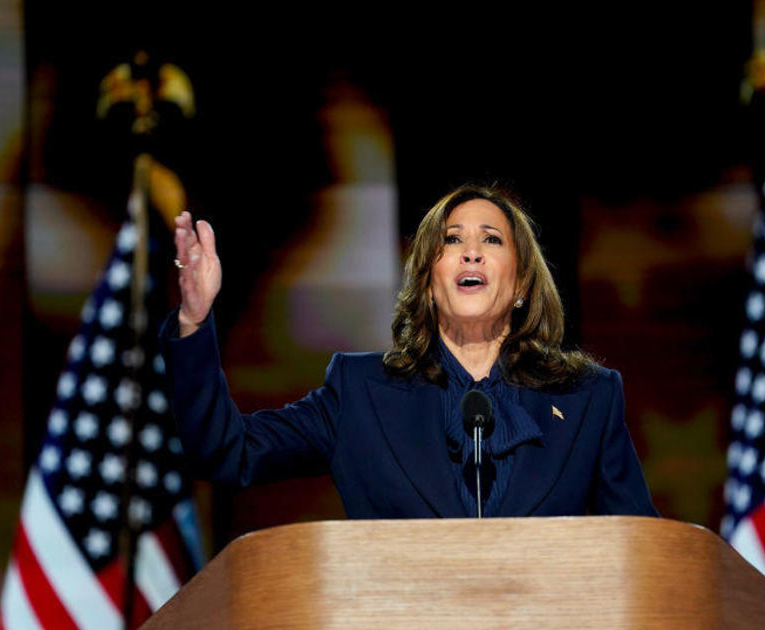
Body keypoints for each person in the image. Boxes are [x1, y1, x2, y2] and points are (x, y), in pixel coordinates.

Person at [160, 185, 657, 518]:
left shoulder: (588, 399)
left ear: (522, 282)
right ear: (427, 282)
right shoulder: (359, 393)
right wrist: (193, 323)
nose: (471, 251)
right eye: (452, 240)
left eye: (491, 239)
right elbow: (228, 452)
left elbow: (642, 551)